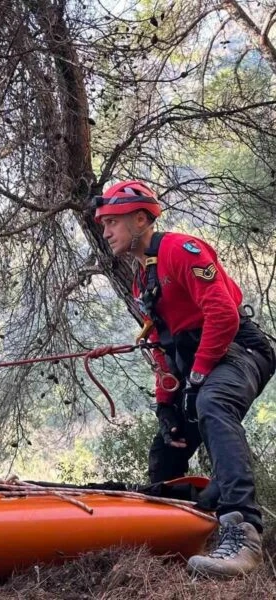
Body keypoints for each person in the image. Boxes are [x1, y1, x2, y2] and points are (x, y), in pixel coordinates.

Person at [93, 180, 275, 578]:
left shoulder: (180, 250)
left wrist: (197, 377)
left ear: (141, 219)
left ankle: (243, 533)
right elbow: (162, 346)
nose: (105, 231)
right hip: (197, 364)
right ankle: (175, 532)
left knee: (212, 404)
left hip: (238, 350)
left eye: (112, 221)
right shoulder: (144, 280)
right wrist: (166, 405)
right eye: (102, 224)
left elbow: (224, 315)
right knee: (167, 448)